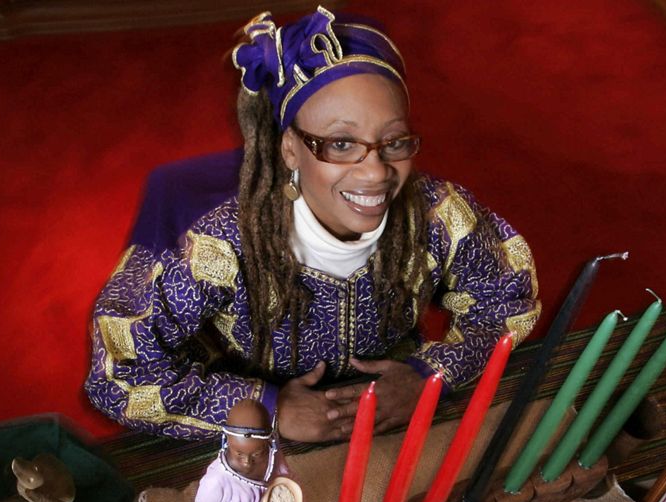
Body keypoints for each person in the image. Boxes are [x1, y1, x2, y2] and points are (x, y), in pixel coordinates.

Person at [85, 6, 539, 443]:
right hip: (261, 443)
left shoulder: (440, 218)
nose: (376, 171)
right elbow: (119, 372)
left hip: (391, 419)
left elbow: (505, 304)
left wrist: (429, 376)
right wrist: (265, 407)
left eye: (394, 142)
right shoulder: (220, 247)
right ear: (289, 150)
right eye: (341, 143)